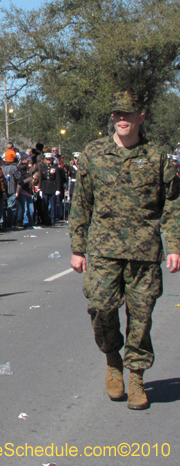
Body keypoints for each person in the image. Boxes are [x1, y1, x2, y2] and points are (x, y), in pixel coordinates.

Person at [69, 91, 180, 410]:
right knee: (101, 309)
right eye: (117, 114)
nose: (121, 119)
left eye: (128, 114)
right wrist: (78, 248)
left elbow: (173, 204)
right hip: (103, 250)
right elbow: (81, 203)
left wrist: (174, 244)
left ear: (141, 117)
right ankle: (112, 359)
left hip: (144, 252)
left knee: (141, 317)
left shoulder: (157, 156)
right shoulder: (94, 153)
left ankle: (136, 378)